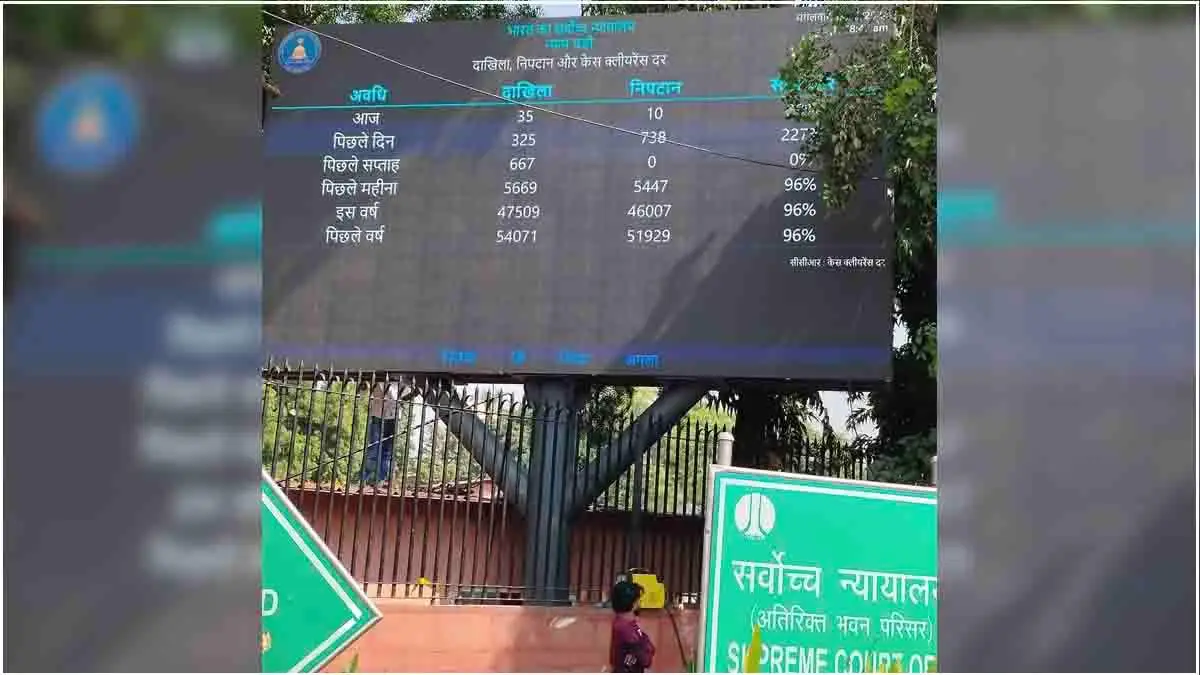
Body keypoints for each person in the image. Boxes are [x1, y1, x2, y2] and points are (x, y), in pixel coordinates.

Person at [610, 580, 655, 673]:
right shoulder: (628, 630)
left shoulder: (622, 622)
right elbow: (646, 660)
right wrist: (648, 647)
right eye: (639, 600)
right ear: (634, 604)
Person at [360, 381, 399, 486]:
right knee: (373, 447)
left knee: (386, 451)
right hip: (378, 413)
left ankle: (381, 479)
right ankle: (365, 478)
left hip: (392, 415)